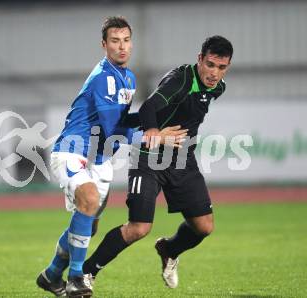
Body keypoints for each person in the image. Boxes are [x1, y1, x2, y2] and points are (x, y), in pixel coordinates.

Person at [82, 35, 233, 289]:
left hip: (182, 159)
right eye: (210, 64)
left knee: (204, 226)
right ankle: (85, 273)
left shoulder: (218, 88)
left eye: (221, 67)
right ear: (199, 59)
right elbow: (148, 107)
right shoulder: (179, 80)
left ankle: (169, 249)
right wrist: (152, 130)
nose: (214, 73)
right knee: (139, 227)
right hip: (149, 157)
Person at [36, 16, 161, 298]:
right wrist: (152, 136)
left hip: (100, 159)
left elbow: (121, 120)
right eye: (115, 41)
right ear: (104, 45)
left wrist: (152, 121)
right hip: (73, 150)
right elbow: (111, 128)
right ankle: (76, 278)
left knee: (88, 225)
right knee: (89, 200)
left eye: (126, 40)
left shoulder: (128, 77)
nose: (122, 46)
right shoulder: (104, 77)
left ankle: (52, 275)